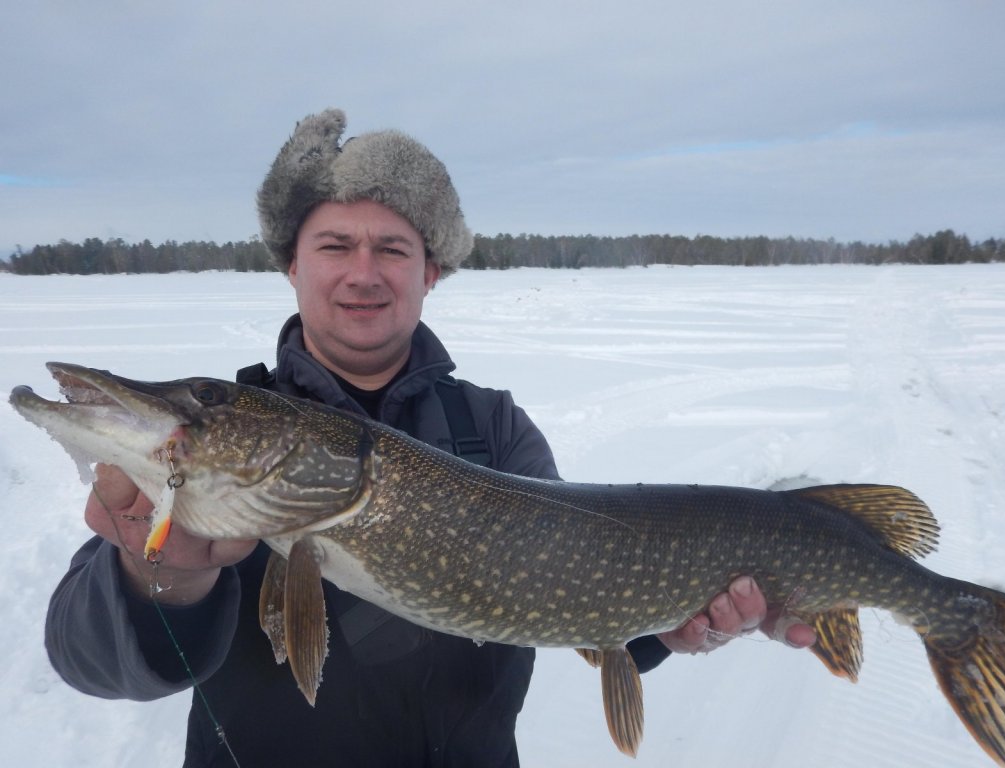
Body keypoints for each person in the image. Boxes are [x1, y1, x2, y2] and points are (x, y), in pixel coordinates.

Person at [45, 108, 815, 767]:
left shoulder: (494, 429)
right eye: (335, 245)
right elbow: (89, 660)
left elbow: (578, 570)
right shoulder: (220, 443)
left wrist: (669, 624)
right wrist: (161, 575)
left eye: (393, 248)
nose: (363, 273)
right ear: (291, 265)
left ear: (431, 272)